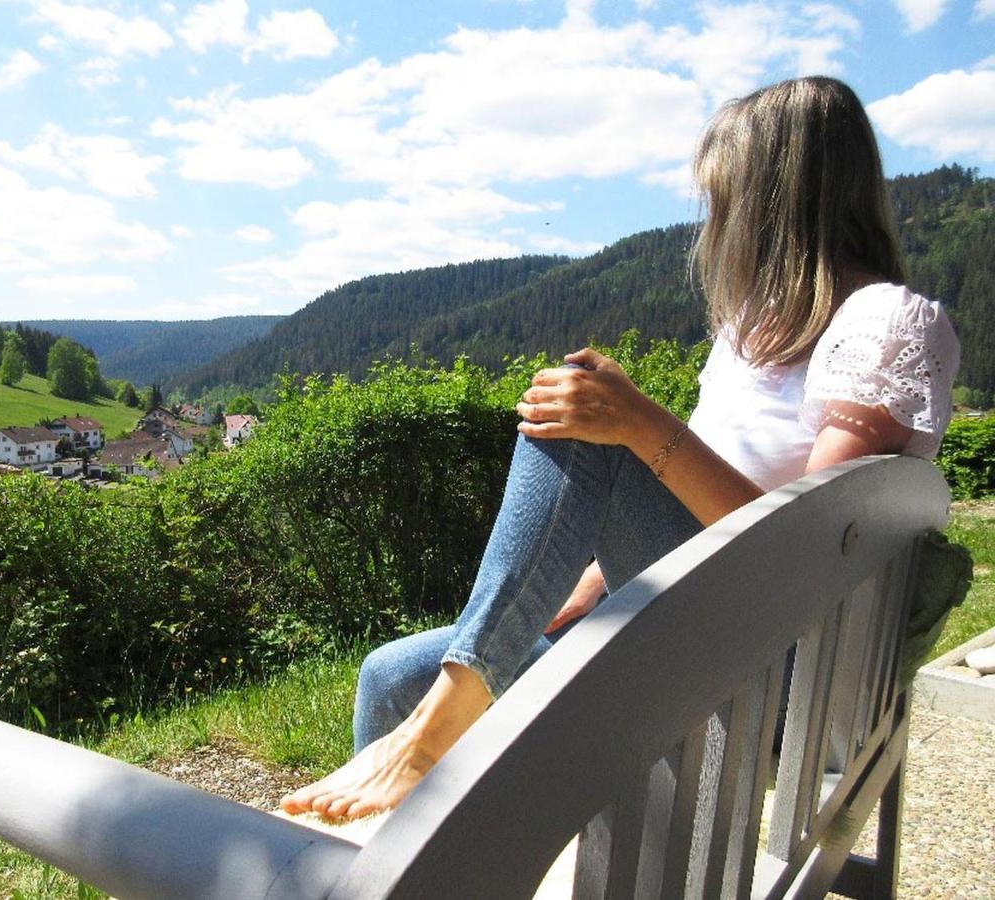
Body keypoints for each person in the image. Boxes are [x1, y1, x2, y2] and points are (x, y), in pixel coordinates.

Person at [280, 76, 961, 822]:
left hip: (784, 670)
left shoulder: (884, 323)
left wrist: (638, 421)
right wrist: (576, 587)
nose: (714, 224)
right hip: (683, 625)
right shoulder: (751, 335)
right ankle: (414, 849)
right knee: (390, 674)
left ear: (776, 203)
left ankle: (433, 732)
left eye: (725, 199)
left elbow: (810, 555)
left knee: (591, 416)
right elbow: (674, 504)